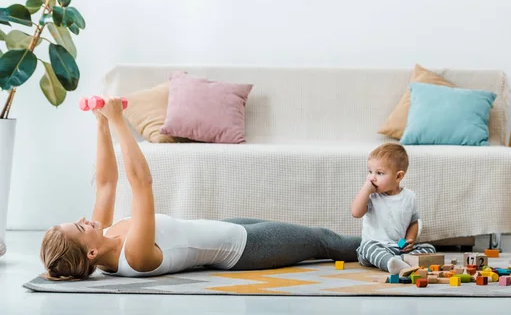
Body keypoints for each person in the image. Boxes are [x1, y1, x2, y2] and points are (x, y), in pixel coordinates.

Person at [40, 97, 361, 280]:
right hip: (245, 250)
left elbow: (107, 182)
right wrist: (120, 122)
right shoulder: (133, 257)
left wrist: (101, 124)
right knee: (325, 241)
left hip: (230, 228)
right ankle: (405, 248)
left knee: (324, 239)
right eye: (80, 226)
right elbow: (142, 185)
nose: (86, 218)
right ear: (91, 252)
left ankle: (393, 245)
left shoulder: (104, 235)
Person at [350, 143, 435, 275]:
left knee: (429, 248)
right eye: (370, 171)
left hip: (398, 248)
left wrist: (410, 239)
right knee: (366, 247)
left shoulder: (409, 196)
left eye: (379, 173)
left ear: (398, 176)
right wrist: (366, 188)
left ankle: (398, 261)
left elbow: (414, 221)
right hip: (375, 246)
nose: (372, 177)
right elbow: (356, 212)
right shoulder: (372, 195)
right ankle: (391, 263)